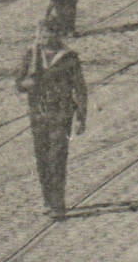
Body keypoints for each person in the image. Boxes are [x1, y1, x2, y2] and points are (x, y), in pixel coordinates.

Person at [15, 15, 89, 219]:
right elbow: (19, 81)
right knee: (42, 157)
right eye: (42, 33)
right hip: (38, 112)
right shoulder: (31, 55)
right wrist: (25, 86)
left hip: (61, 112)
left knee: (57, 157)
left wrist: (81, 116)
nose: (45, 38)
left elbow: (80, 88)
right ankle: (47, 199)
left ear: (58, 35)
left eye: (50, 33)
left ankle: (58, 203)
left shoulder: (69, 57)